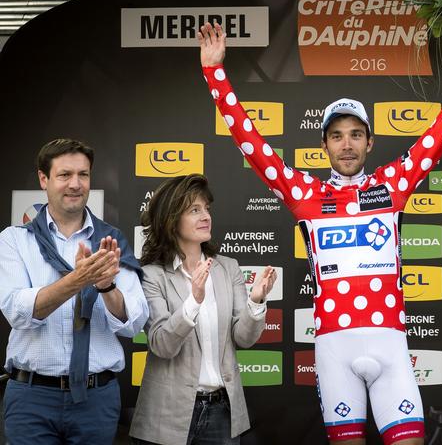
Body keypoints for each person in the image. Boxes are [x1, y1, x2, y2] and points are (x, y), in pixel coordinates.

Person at [198, 18, 442, 445]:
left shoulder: (392, 185)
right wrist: (214, 73)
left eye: (355, 134)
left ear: (370, 142)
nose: (347, 144)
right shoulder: (304, 193)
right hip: (335, 349)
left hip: (389, 345)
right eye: (337, 136)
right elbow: (250, 141)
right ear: (325, 145)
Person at [0, 138, 149, 444]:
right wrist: (78, 280)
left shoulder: (112, 241)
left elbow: (134, 321)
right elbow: (17, 311)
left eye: (83, 175)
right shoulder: (14, 240)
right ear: (44, 179)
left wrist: (107, 287)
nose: (75, 184)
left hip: (96, 400)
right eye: (64, 175)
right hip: (31, 398)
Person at [129, 174, 276, 445]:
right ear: (171, 219)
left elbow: (244, 338)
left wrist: (256, 302)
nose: (205, 216)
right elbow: (162, 344)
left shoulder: (227, 267)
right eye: (194, 210)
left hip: (222, 413)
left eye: (206, 209)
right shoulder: (151, 275)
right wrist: (194, 301)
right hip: (166, 414)